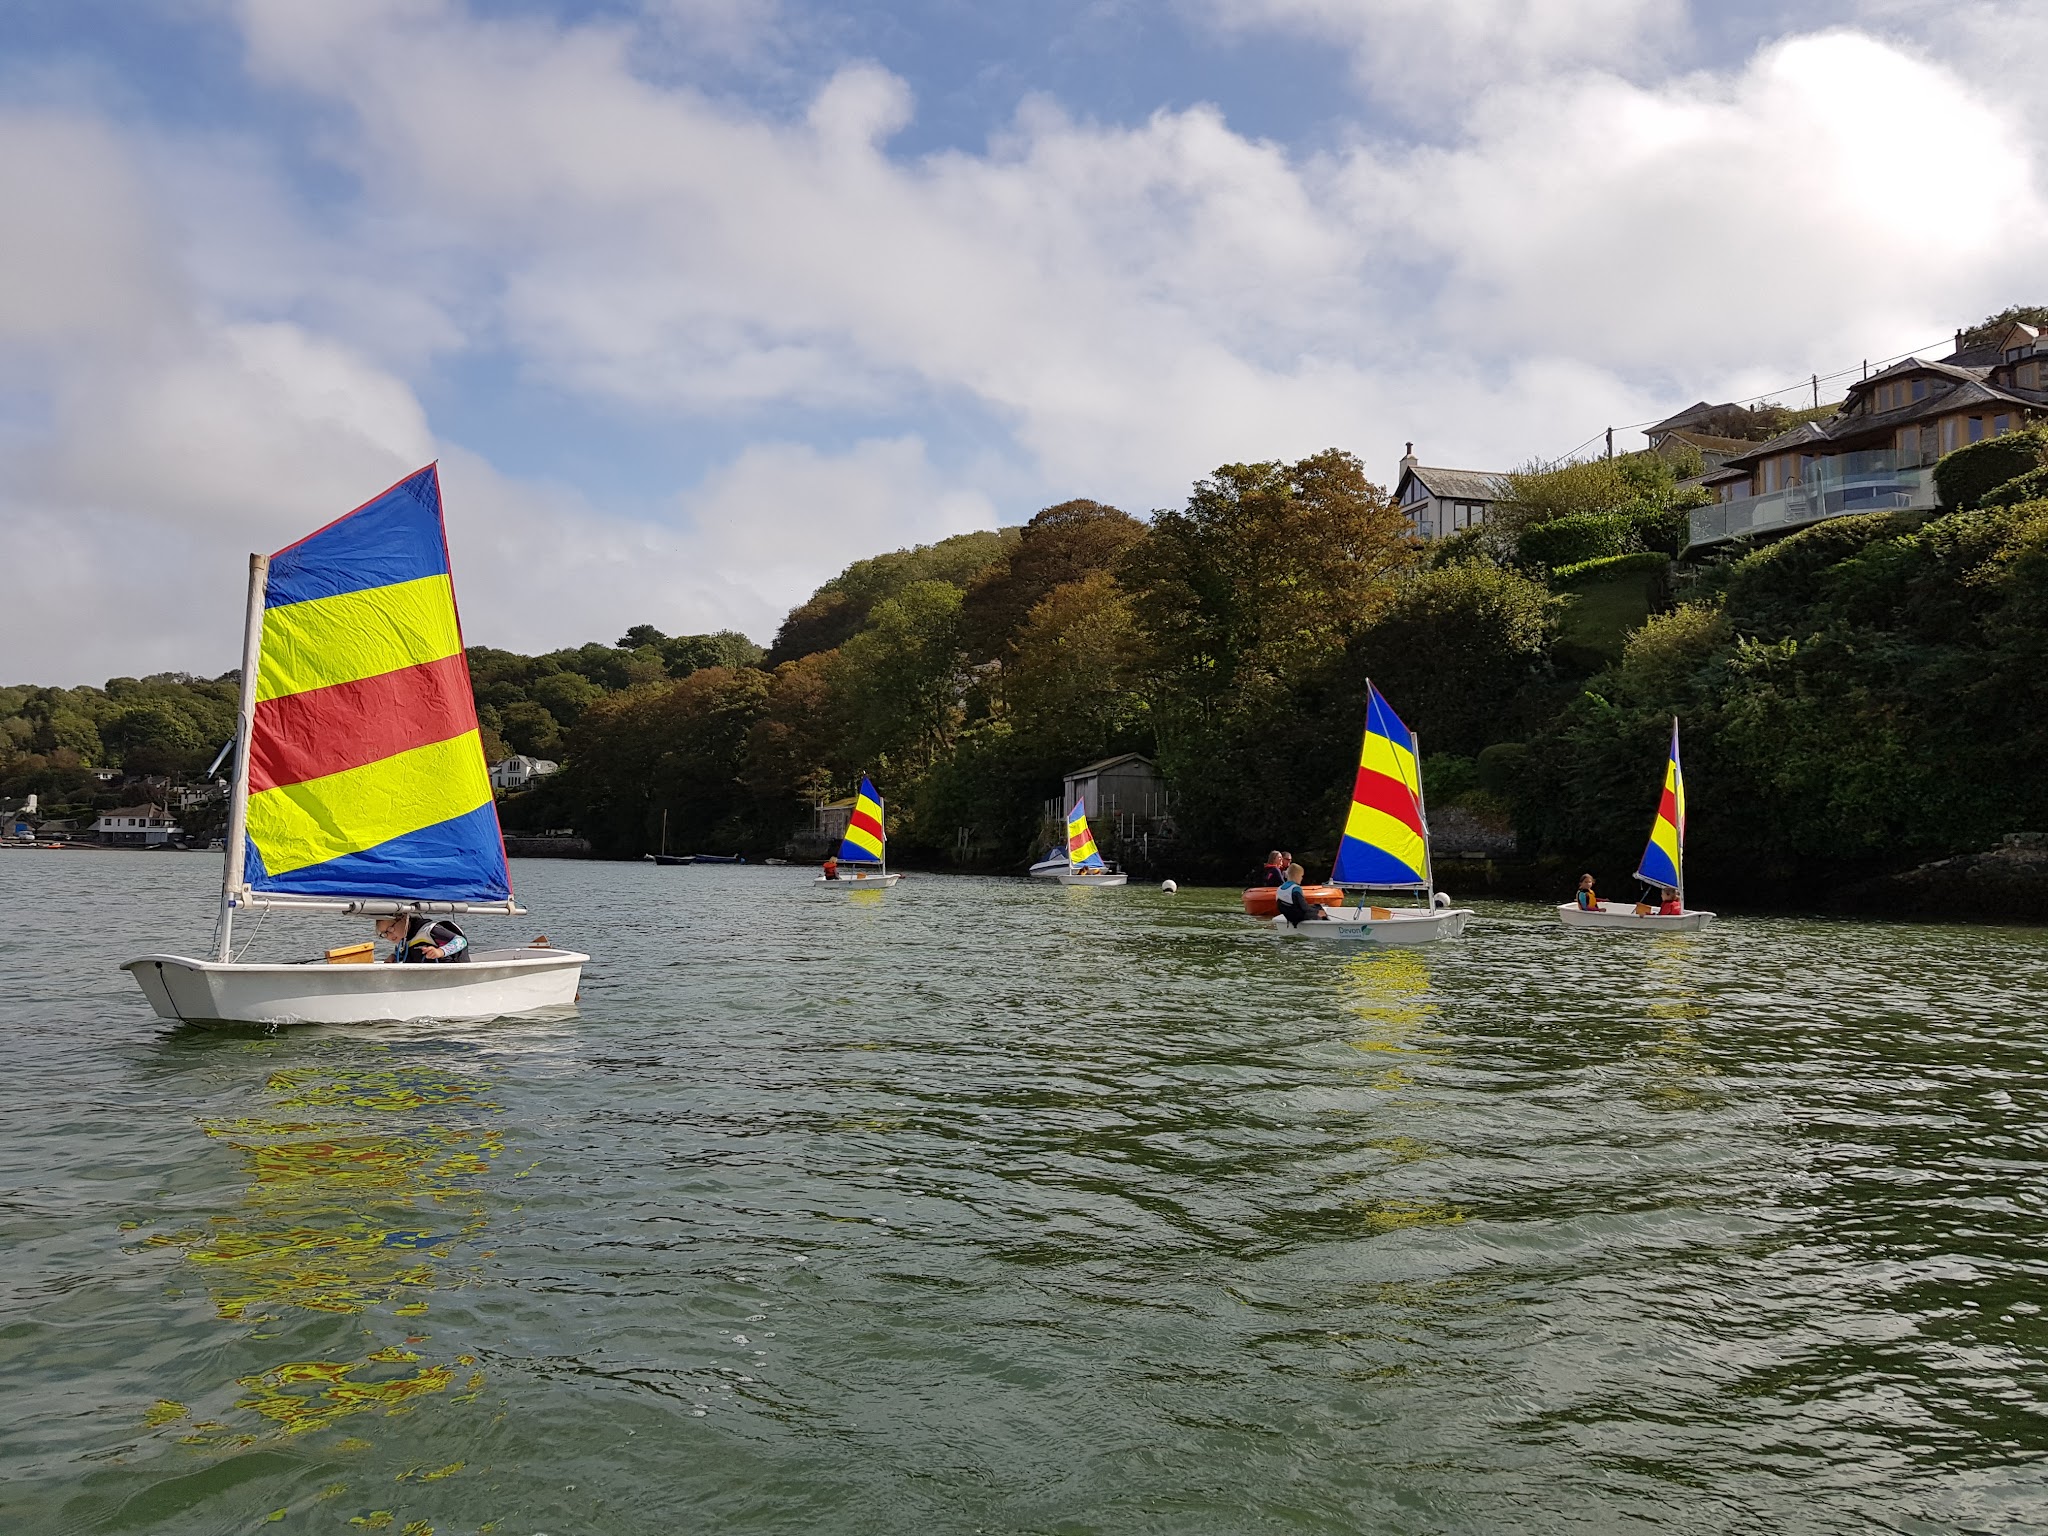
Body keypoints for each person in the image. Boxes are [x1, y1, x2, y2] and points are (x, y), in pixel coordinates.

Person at [376, 913, 469, 963]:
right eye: (384, 934)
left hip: (450, 974)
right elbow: (404, 956)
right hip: (425, 978)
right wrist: (394, 958)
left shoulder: (428, 930)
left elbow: (461, 941)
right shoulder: (403, 940)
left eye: (391, 929)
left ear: (404, 919)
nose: (389, 936)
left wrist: (440, 951)